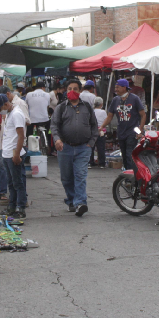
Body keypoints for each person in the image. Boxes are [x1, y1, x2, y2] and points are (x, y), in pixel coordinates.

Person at [51, 79, 98, 217]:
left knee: (80, 175)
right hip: (65, 148)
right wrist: (57, 139)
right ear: (66, 91)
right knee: (66, 177)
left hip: (84, 147)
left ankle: (80, 203)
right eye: (70, 88)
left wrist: (91, 142)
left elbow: (94, 126)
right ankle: (71, 200)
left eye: (75, 89)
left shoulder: (87, 107)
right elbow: (54, 125)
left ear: (80, 91)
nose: (72, 91)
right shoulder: (61, 107)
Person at [98, 79, 146, 173]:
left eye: (117, 87)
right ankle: (128, 174)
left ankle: (131, 174)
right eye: (115, 87)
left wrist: (140, 130)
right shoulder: (116, 100)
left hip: (132, 132)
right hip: (121, 132)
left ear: (124, 87)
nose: (116, 89)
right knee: (124, 155)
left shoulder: (134, 98)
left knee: (129, 154)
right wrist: (102, 126)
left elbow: (143, 114)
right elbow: (110, 116)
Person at [0, 94, 28, 218]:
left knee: (18, 182)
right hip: (6, 153)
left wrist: (17, 154)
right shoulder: (8, 114)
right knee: (11, 183)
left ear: (6, 104)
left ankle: (20, 207)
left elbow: (21, 135)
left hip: (13, 153)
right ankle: (12, 206)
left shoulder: (17, 113)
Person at [90, 97, 108, 169]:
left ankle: (90, 163)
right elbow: (106, 121)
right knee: (101, 148)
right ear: (101, 104)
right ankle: (102, 164)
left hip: (92, 131)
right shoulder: (103, 112)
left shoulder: (91, 111)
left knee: (91, 147)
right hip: (101, 131)